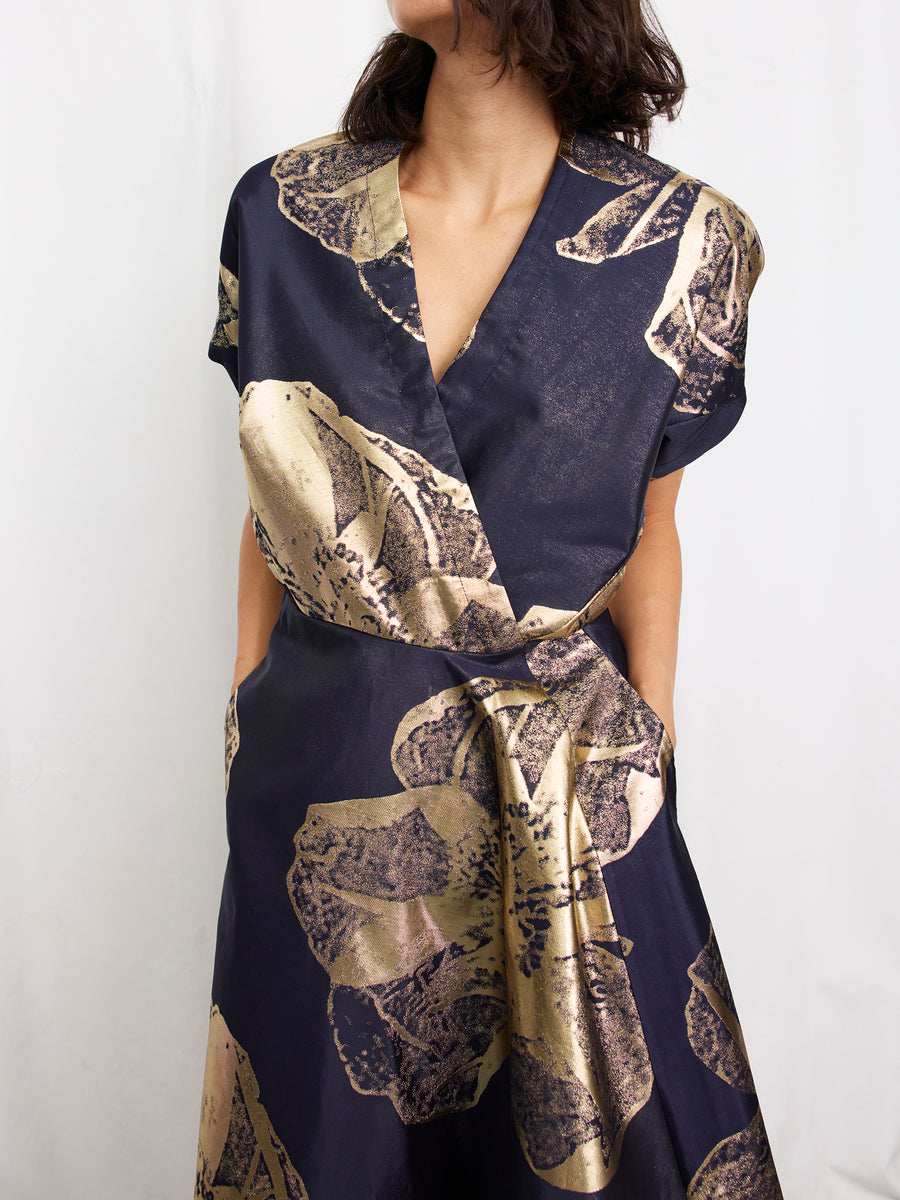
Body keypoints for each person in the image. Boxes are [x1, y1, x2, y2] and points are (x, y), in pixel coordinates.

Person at [194, 0, 783, 1196]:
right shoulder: (284, 213)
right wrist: (251, 702)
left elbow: (651, 529)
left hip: (567, 781)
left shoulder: (682, 242)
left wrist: (647, 745)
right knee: (328, 1143)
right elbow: (276, 492)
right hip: (332, 775)